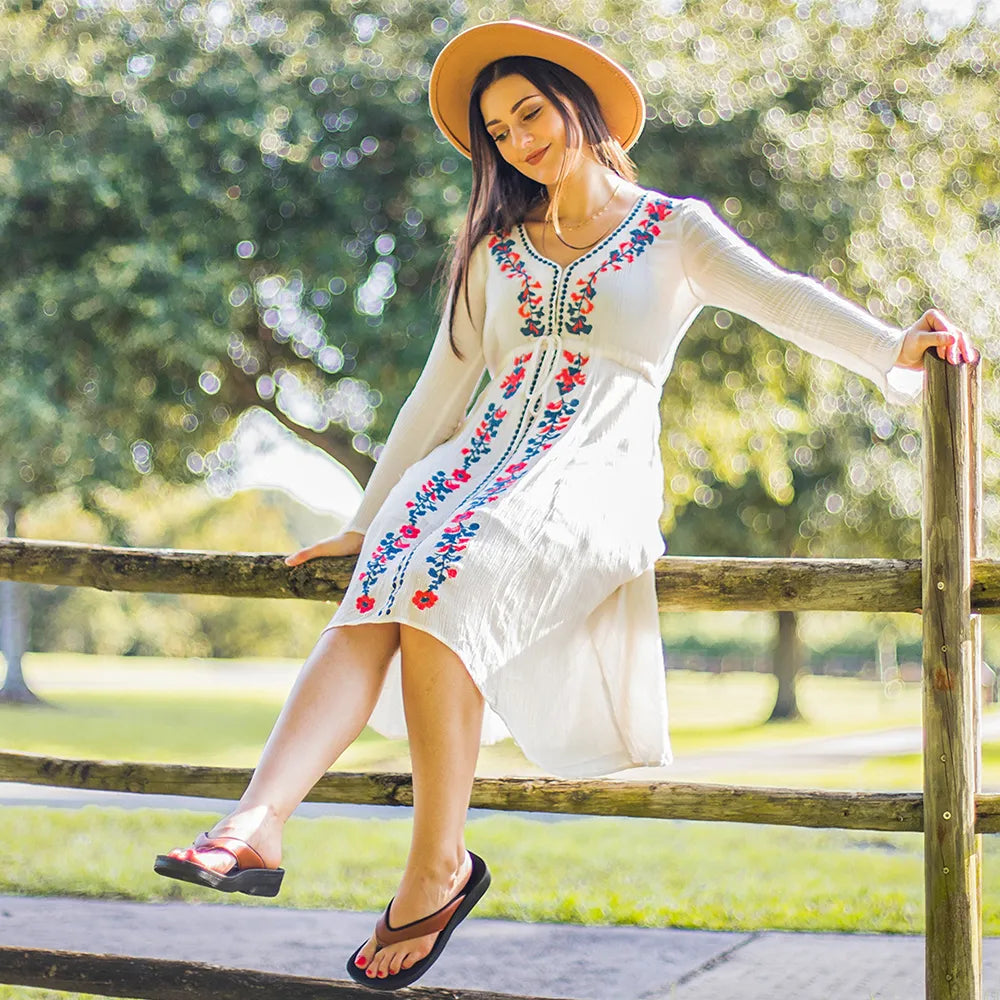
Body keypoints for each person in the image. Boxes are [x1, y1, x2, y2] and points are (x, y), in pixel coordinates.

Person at [153, 17, 979, 992]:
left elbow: (784, 296)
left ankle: (436, 864)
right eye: (497, 129)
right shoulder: (496, 249)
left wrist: (893, 345)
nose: (516, 139)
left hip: (594, 476)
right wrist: (368, 516)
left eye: (529, 112)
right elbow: (437, 389)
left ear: (578, 107)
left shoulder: (675, 231)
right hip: (468, 472)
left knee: (446, 569)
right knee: (385, 574)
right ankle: (257, 820)